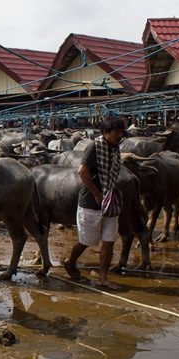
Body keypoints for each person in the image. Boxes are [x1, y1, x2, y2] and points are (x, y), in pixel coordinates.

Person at [63, 115, 126, 290]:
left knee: (109, 240)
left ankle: (102, 278)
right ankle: (70, 261)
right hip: (91, 201)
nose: (119, 135)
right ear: (106, 132)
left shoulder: (115, 148)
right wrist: (97, 194)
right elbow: (82, 172)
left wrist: (107, 195)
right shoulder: (94, 147)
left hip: (109, 200)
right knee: (86, 240)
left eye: (121, 132)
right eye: (116, 132)